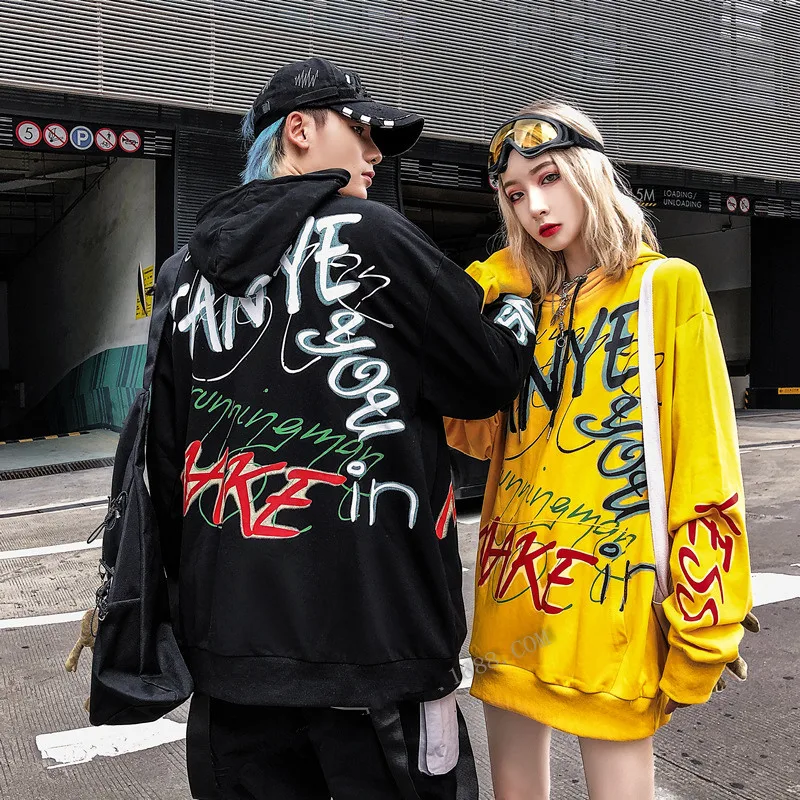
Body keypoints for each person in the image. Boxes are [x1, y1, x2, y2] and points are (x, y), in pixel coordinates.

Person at [146, 56, 536, 800]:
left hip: (230, 661)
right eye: (361, 132)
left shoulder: (185, 273)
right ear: (299, 130)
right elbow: (486, 377)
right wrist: (518, 299)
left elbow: (164, 465)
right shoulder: (374, 236)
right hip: (378, 650)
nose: (375, 153)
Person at [446, 101, 754, 800]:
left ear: (590, 172)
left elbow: (705, 462)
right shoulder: (524, 307)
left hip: (610, 609)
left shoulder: (665, 288)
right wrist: (484, 288)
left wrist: (707, 624)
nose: (534, 207)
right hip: (511, 597)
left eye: (549, 178)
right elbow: (475, 432)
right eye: (514, 194)